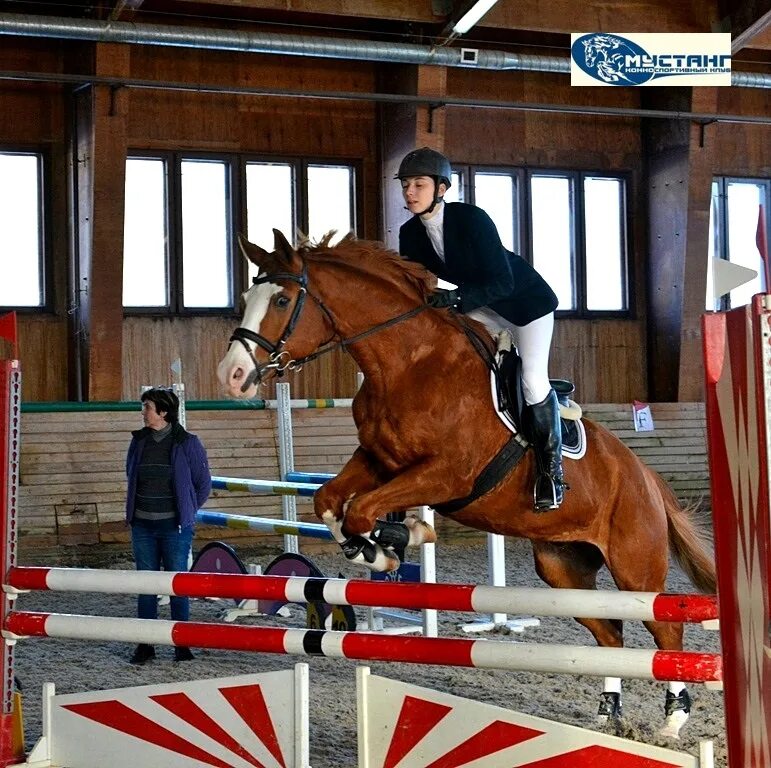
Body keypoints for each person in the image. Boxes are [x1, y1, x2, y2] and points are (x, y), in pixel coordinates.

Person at [397, 147, 566, 511]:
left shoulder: (472, 219)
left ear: (441, 188)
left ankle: (552, 474)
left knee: (533, 380)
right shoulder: (409, 234)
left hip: (525, 307)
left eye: (419, 185)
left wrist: (456, 301)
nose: (410, 192)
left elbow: (503, 283)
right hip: (483, 309)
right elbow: (415, 283)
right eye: (406, 185)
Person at [125, 387, 211, 664]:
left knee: (178, 585)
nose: (143, 411)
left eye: (147, 407)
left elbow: (203, 485)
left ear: (162, 412)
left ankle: (181, 644)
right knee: (146, 586)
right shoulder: (138, 441)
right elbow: (131, 473)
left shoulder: (188, 443)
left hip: (174, 527)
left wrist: (186, 510)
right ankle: (145, 644)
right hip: (142, 526)